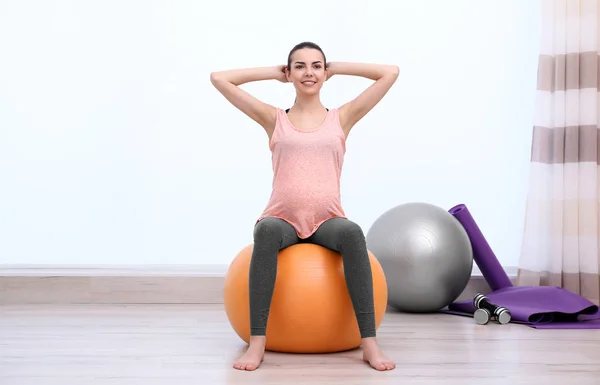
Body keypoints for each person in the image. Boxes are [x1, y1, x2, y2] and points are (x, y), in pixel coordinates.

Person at [210, 41, 399, 371]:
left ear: (325, 72)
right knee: (266, 230)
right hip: (282, 218)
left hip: (328, 220)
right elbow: (219, 78)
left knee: (353, 233)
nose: (308, 72)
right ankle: (257, 344)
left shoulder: (342, 117)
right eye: (299, 66)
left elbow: (390, 73)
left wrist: (337, 67)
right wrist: (274, 74)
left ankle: (369, 344)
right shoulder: (274, 119)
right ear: (290, 72)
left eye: (316, 66)